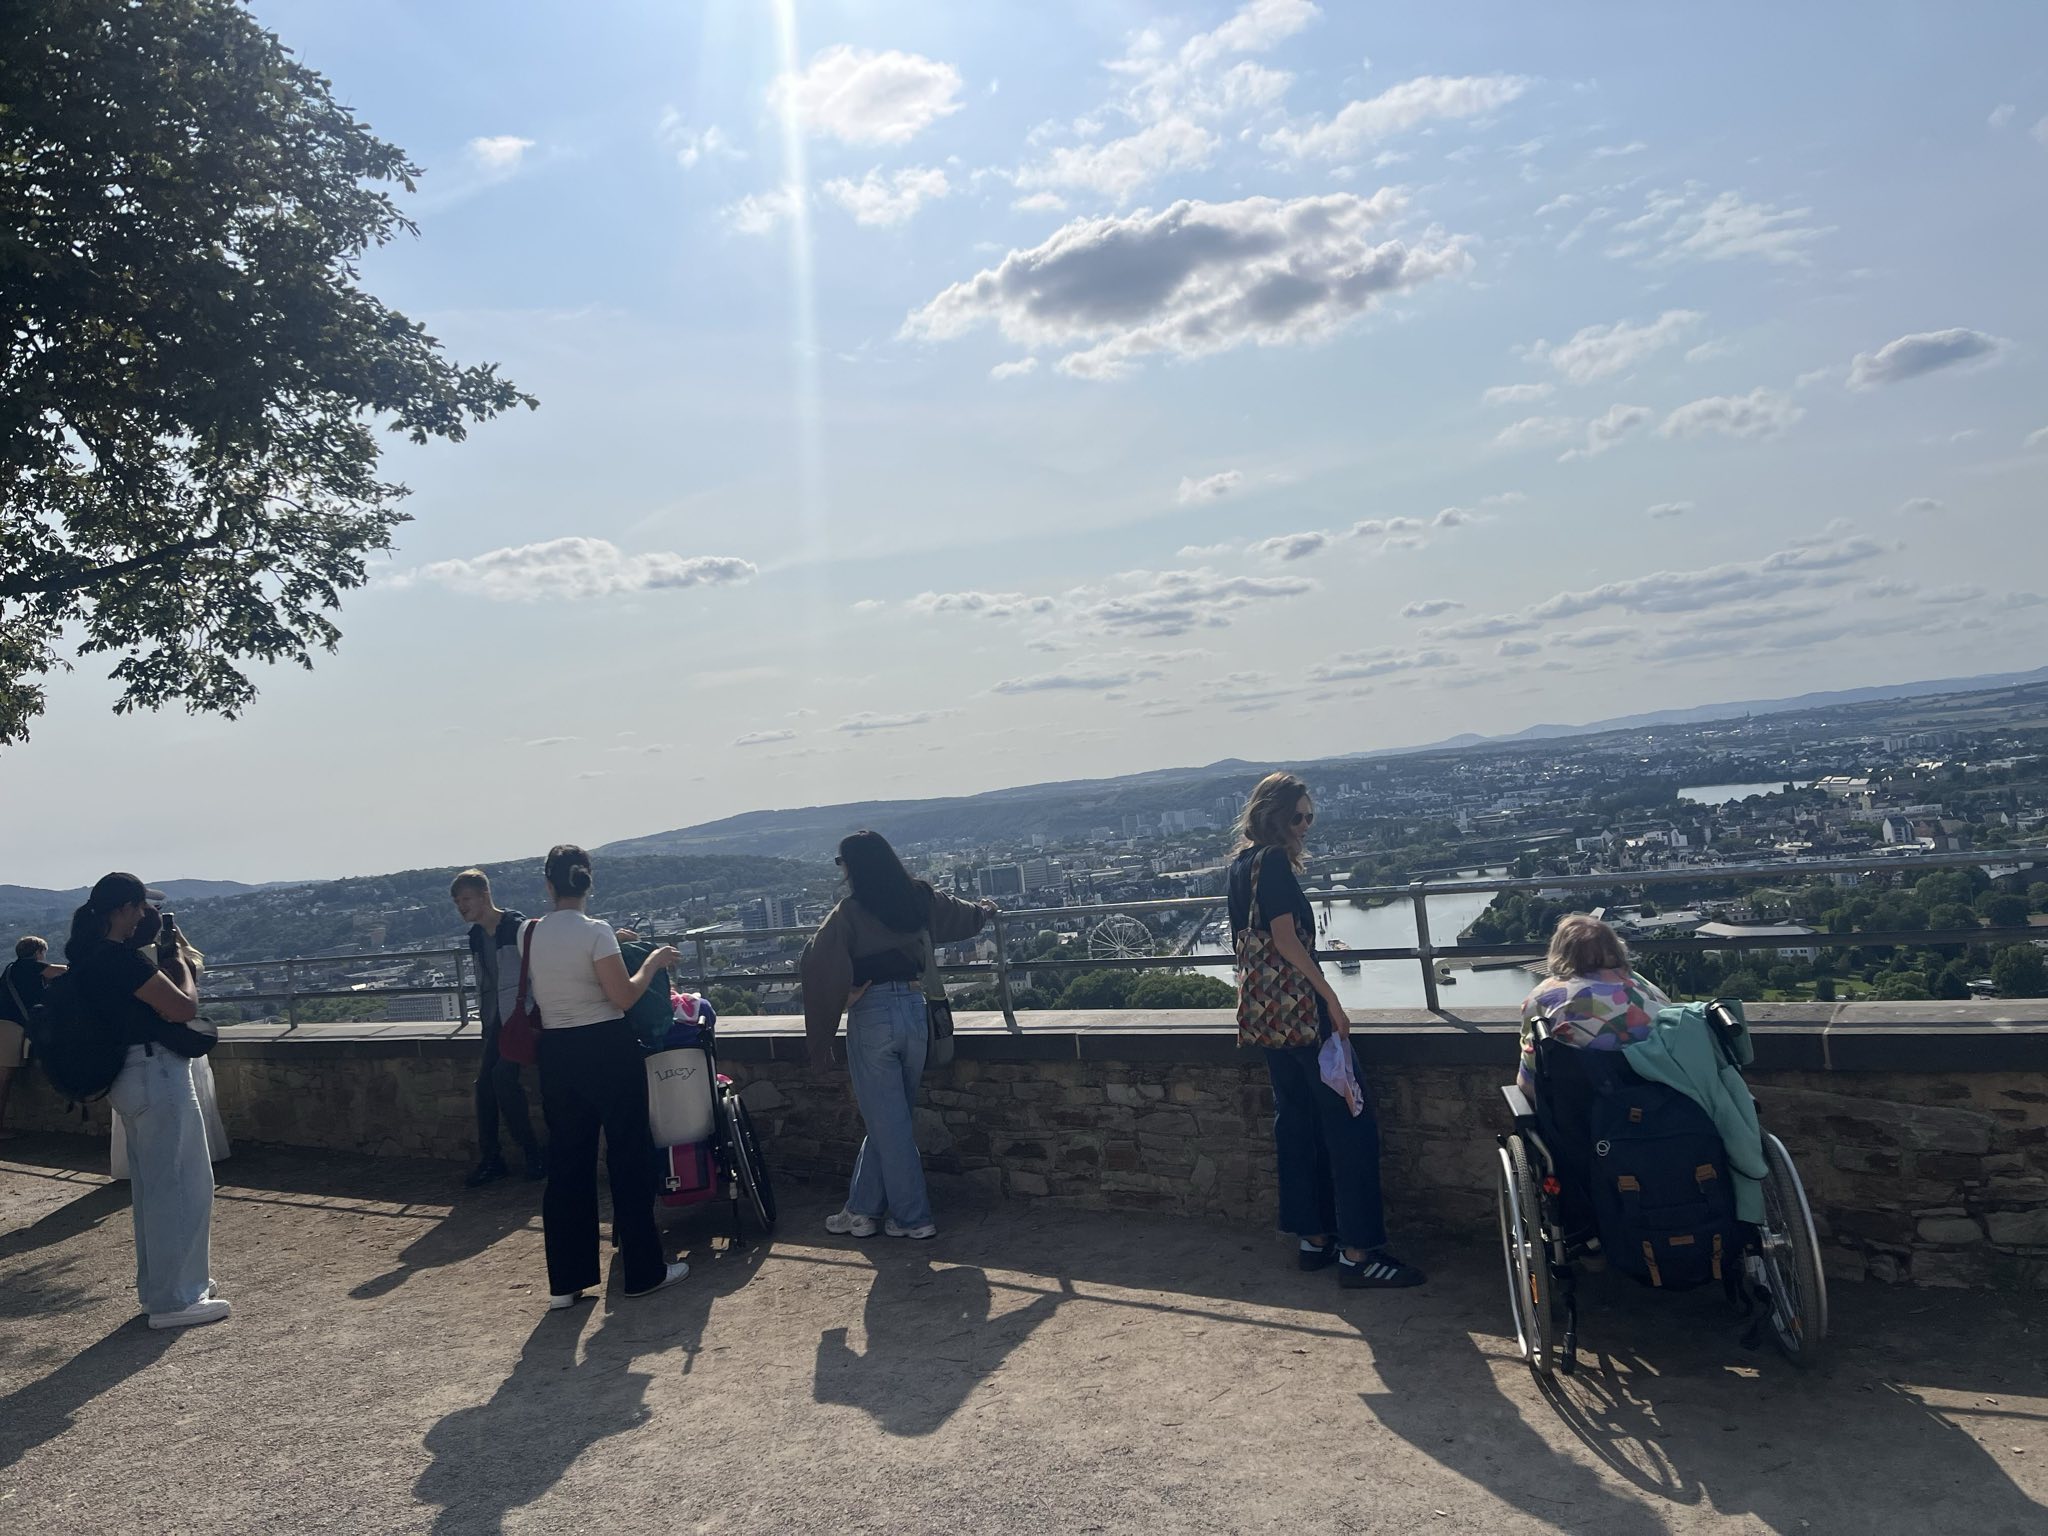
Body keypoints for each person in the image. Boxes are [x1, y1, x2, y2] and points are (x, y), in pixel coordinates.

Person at [1228, 772, 1424, 1289]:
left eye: (1310, 816)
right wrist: (1331, 999)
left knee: (1295, 1125)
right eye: (1299, 817)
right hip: (1304, 1016)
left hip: (1269, 1019)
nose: (1306, 826)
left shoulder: (1239, 866)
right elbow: (1286, 940)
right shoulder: (1272, 863)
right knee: (1350, 1123)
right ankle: (1359, 1254)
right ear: (1274, 817)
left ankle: (1313, 1240)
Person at [800, 830, 994, 1241]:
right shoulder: (919, 896)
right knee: (889, 1121)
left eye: (841, 862)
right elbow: (963, 915)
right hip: (914, 1011)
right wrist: (985, 910)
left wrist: (844, 996)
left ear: (852, 866)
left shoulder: (849, 912)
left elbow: (816, 961)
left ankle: (912, 1217)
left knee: (890, 1124)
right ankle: (861, 1211)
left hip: (873, 1017)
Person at [524, 844, 686, 1309]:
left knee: (568, 1163)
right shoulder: (596, 934)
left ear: (549, 884)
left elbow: (562, 960)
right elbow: (623, 997)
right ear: (588, 882)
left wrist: (609, 941)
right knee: (628, 1157)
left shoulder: (529, 935)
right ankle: (642, 1270)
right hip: (606, 1049)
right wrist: (652, 960)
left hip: (557, 1053)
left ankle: (566, 1282)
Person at [67, 873, 229, 1329]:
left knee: (156, 1186)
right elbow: (182, 1009)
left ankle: (170, 1285)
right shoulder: (119, 960)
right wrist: (181, 966)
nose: (143, 916)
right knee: (182, 1183)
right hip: (156, 1072)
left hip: (128, 1075)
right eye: (138, 907)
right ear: (122, 908)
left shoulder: (84, 955)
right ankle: (175, 1299)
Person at [452, 869, 545, 1186]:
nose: (461, 907)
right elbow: (488, 984)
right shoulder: (476, 936)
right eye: (457, 901)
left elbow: (550, 953)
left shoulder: (515, 927)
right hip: (497, 1021)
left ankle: (532, 1153)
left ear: (484, 896)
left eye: (465, 899)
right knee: (484, 1085)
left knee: (503, 1078)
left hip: (523, 1018)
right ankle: (493, 1158)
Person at [1517, 914, 1671, 1104]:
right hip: (1658, 1109)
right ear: (1616, 949)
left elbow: (1531, 1069)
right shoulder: (1650, 991)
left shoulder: (1542, 996)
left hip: (1580, 1116)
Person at [0, 935, 65, 1138]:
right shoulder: (29, 966)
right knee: (3, 1079)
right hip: (10, 1026)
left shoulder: (12, 969)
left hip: (5, 1023)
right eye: (42, 953)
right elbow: (61, 972)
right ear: (38, 952)